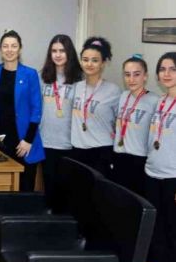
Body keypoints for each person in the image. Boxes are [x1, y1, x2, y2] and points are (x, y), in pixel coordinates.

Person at [0, 30, 44, 191]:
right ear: (0, 49)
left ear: (20, 49)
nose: (9, 50)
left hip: (23, 140)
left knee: (25, 188)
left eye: (14, 46)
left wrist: (28, 140)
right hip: (1, 140)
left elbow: (37, 109)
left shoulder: (30, 74)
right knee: (3, 188)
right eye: (5, 46)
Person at [142, 52, 176, 262]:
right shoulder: (161, 101)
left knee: (173, 228)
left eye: (172, 69)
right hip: (153, 173)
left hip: (173, 176)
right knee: (158, 227)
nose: (166, 74)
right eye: (162, 69)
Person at [39, 34, 81, 203]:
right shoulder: (42, 77)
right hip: (46, 140)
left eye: (62, 51)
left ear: (69, 53)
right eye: (54, 51)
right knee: (49, 186)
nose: (57, 55)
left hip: (70, 142)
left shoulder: (80, 80)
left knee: (67, 188)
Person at [69, 36, 120, 176]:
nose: (89, 64)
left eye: (95, 60)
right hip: (77, 149)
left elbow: (121, 121)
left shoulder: (113, 90)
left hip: (101, 150)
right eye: (85, 60)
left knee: (99, 189)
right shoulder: (76, 87)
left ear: (103, 63)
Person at [111, 55, 158, 196]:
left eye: (136, 74)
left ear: (145, 76)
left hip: (139, 159)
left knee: (136, 200)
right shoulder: (123, 96)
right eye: (127, 74)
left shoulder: (154, 100)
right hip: (119, 156)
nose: (131, 79)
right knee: (118, 199)